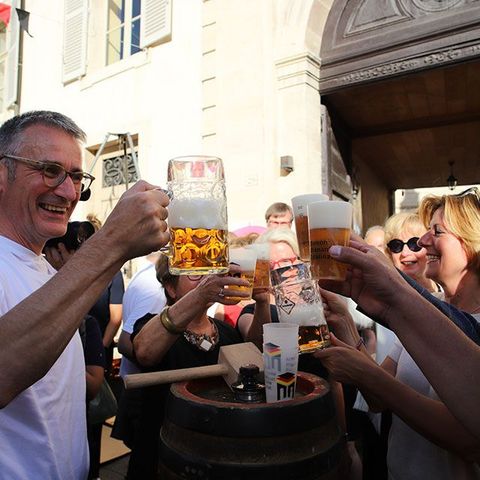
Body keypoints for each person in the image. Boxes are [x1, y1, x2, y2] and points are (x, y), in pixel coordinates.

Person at [0, 110, 169, 479]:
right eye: (49, 170)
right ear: (1, 174)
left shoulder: (46, 268)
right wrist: (111, 241)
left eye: (76, 176)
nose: (68, 191)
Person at [126, 255, 249, 478]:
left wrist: (260, 301)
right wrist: (200, 294)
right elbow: (144, 352)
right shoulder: (151, 324)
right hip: (163, 458)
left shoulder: (227, 331)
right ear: (171, 288)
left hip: (216, 459)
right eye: (194, 273)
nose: (205, 279)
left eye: (208, 272)